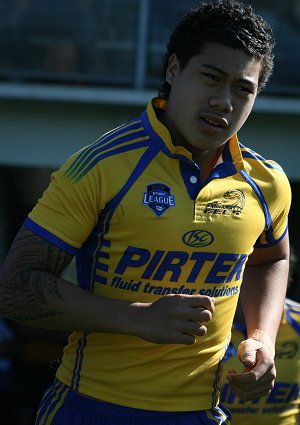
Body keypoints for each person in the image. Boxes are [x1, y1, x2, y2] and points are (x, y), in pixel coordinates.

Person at [0, 1, 292, 424]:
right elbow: (14, 288)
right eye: (211, 77)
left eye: (242, 89)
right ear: (174, 70)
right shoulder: (99, 166)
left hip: (199, 413)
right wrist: (135, 318)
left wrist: (261, 336)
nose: (223, 101)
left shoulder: (268, 183)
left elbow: (271, 258)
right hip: (88, 408)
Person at [221, 250, 300, 424]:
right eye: (247, 273)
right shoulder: (206, 323)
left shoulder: (297, 321)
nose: (257, 283)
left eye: (267, 271)